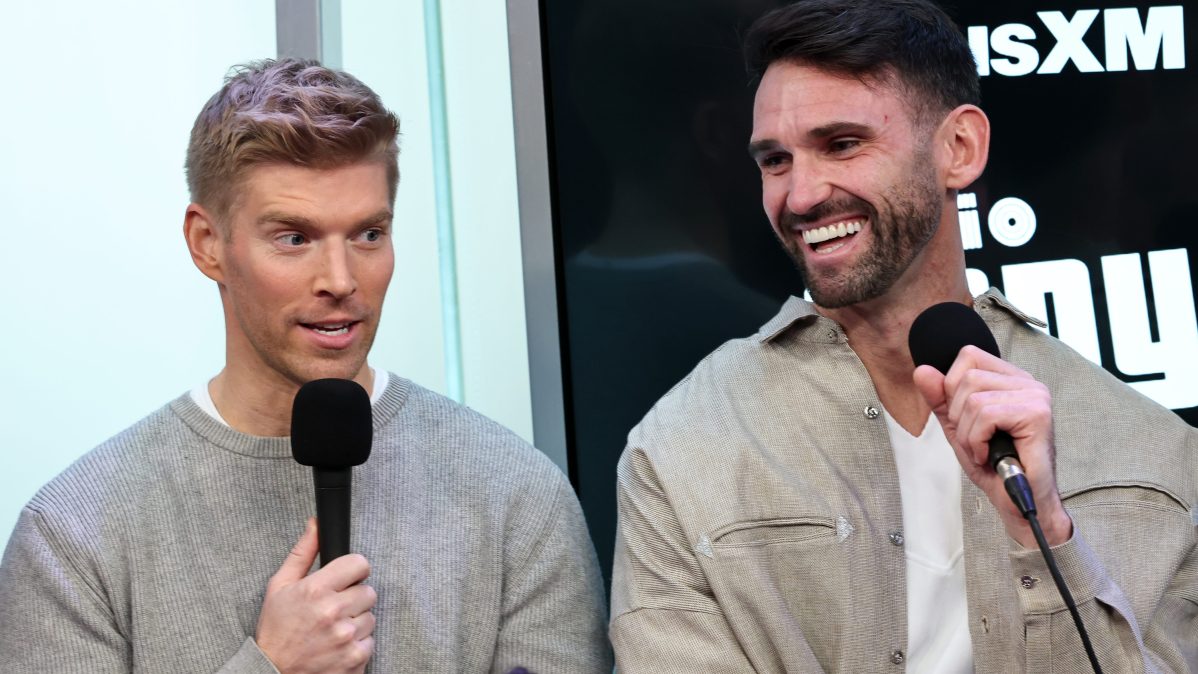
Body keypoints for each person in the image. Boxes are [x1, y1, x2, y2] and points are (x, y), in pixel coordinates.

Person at [608, 1, 1198, 671]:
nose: (800, 196)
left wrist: (1046, 536)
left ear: (960, 149)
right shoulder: (686, 447)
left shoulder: (1152, 453)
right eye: (775, 160)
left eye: (842, 144)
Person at [0, 59, 610, 673]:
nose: (342, 281)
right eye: (294, 238)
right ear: (207, 244)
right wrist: (270, 666)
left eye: (368, 234)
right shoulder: (74, 535)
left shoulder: (516, 499)